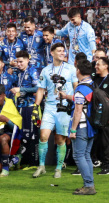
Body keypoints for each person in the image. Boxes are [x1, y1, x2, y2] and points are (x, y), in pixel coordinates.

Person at [32, 42, 78, 178]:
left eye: (63, 51)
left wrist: (76, 102)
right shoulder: (46, 70)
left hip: (64, 107)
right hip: (50, 107)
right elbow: (41, 89)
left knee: (60, 139)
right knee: (44, 136)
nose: (63, 53)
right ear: (52, 53)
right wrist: (36, 106)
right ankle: (41, 166)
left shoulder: (70, 69)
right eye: (59, 51)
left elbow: (76, 86)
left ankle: (58, 168)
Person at [66, 59, 98, 195]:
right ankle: (89, 184)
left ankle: (89, 185)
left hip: (82, 127)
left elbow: (78, 111)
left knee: (79, 156)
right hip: (91, 125)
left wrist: (73, 130)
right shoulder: (92, 84)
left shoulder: (80, 90)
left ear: (78, 71)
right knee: (86, 155)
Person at [9, 51, 39, 164]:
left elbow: (37, 89)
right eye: (17, 61)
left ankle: (33, 161)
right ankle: (20, 159)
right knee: (20, 133)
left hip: (29, 106)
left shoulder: (33, 71)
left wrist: (20, 90)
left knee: (31, 134)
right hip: (19, 107)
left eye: (21, 61)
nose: (19, 64)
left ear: (27, 60)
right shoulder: (17, 72)